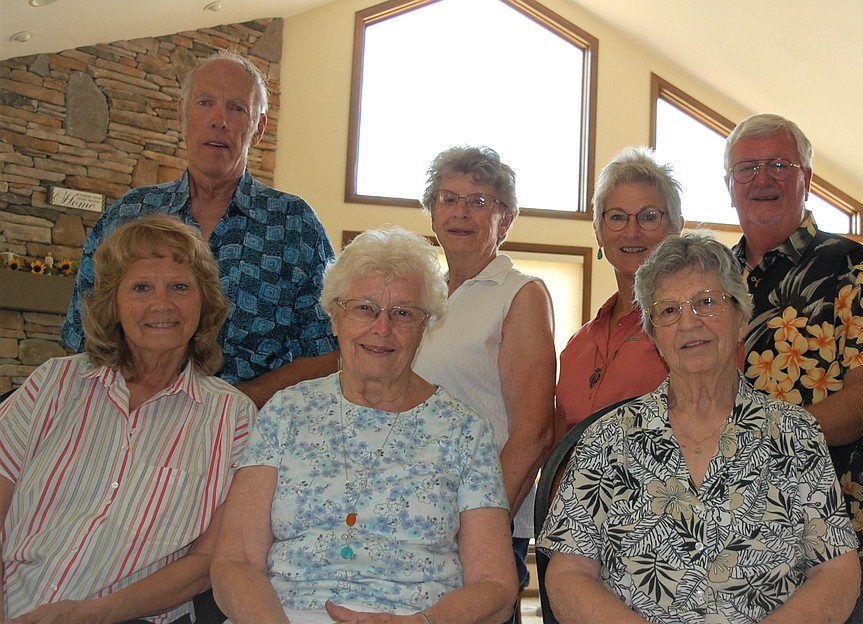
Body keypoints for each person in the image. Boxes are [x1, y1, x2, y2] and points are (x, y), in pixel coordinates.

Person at [539, 232, 860, 623]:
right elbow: (568, 574)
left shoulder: (795, 434)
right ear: (654, 336)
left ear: (741, 319)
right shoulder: (607, 440)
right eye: (669, 310)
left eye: (707, 302)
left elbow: (837, 572)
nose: (689, 322)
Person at [210, 226, 517, 623]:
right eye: (364, 308)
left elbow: (495, 585)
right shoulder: (287, 411)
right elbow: (235, 561)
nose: (382, 328)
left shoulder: (464, 431)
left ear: (425, 326)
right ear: (335, 318)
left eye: (403, 313)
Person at [0, 214, 255, 623]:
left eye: (179, 287)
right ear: (113, 305)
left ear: (204, 301)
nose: (162, 304)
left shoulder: (234, 418)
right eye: (140, 287)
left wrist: (94, 614)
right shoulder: (52, 383)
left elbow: (212, 559)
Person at [61, 49, 338, 409]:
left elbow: (330, 352)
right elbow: (82, 333)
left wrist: (228, 409)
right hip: (126, 423)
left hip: (249, 438)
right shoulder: (130, 214)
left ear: (259, 128)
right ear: (182, 114)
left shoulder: (295, 224)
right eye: (205, 103)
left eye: (237, 108)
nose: (219, 120)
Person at [725, 112, 863, 619]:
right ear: (729, 186)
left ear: (807, 179)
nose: (763, 179)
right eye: (747, 168)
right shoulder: (714, 277)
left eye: (780, 164)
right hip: (719, 529)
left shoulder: (855, 266)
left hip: (821, 535)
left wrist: (761, 437)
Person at [412, 146, 555, 596]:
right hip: (408, 519)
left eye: (479, 202)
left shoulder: (520, 295)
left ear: (506, 219)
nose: (461, 213)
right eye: (448, 199)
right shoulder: (419, 296)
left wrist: (478, 527)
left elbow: (533, 433)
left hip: (478, 531)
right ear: (432, 213)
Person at [555, 146, 682, 431]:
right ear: (598, 232)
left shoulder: (697, 329)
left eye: (649, 216)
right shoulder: (577, 346)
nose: (632, 231)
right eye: (616, 217)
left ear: (676, 227)